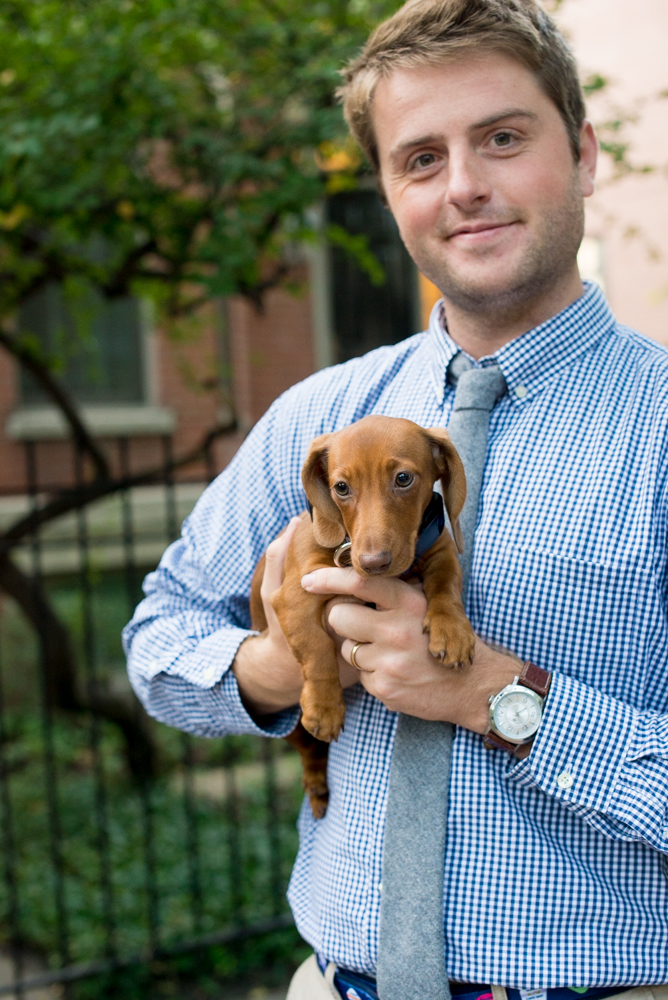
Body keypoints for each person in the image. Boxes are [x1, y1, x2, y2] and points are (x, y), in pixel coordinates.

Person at [123, 1, 668, 998]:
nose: (462, 187)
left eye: (502, 138)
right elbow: (156, 640)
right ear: (386, 190)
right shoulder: (315, 418)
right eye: (419, 159)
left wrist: (497, 698)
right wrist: (282, 662)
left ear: (583, 153)